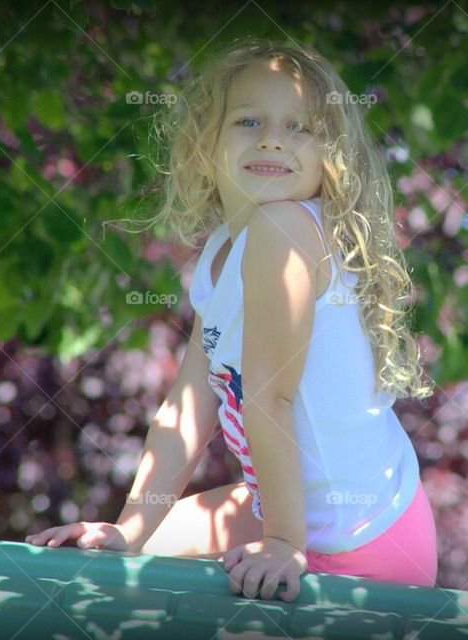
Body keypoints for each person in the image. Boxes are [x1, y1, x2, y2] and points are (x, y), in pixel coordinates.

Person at [26, 38, 436, 603]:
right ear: (203, 146)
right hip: (293, 508)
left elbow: (269, 397)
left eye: (301, 127)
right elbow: (189, 405)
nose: (272, 138)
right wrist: (130, 527)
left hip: (360, 540)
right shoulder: (223, 251)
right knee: (133, 551)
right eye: (249, 120)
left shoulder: (286, 230)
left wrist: (285, 542)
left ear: (331, 157)